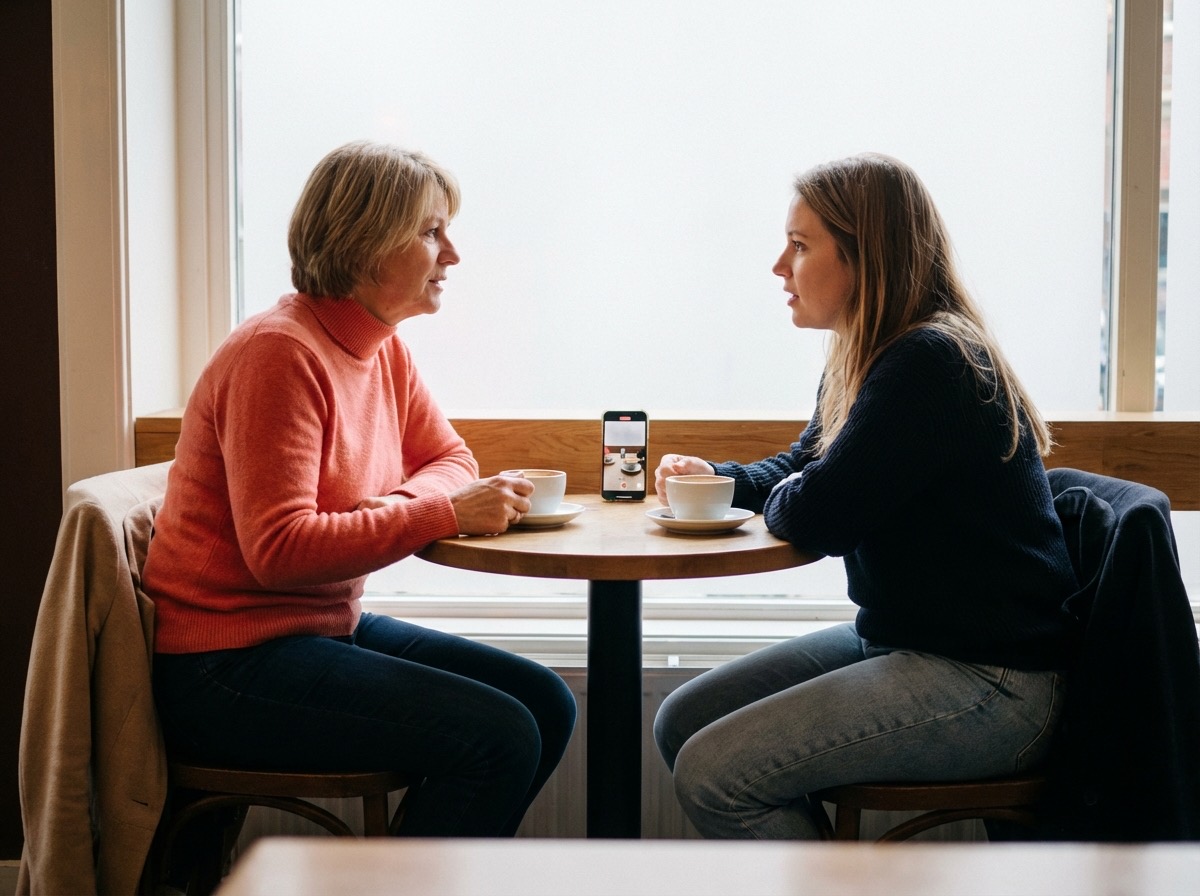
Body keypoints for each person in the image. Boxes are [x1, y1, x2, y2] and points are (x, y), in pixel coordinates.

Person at [143, 140, 576, 837]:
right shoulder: (278, 353)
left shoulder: (381, 347)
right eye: (432, 232)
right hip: (225, 665)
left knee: (545, 703)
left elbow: (451, 457)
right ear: (367, 243)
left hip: (314, 629)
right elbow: (279, 553)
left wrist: (405, 507)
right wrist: (437, 513)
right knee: (500, 737)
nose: (453, 255)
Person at [652, 153, 1076, 839]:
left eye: (798, 245)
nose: (777, 267)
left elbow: (822, 515)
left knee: (715, 774)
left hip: (990, 682)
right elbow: (808, 469)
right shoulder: (871, 350)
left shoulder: (930, 361)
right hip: (906, 642)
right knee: (684, 720)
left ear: (864, 256)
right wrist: (719, 479)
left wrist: (797, 489)